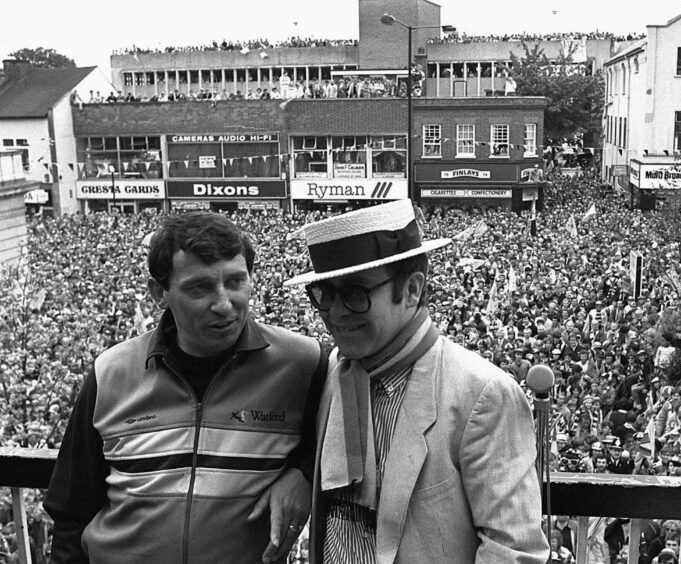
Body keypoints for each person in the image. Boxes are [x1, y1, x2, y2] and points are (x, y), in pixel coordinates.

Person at [44, 212, 328, 564]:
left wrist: (302, 472)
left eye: (236, 281)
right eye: (199, 287)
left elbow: (351, 427)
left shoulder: (304, 363)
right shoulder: (111, 373)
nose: (224, 303)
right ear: (158, 293)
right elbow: (71, 512)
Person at [284, 199, 549, 563]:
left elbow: (513, 550)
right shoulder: (333, 371)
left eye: (355, 293)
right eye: (324, 294)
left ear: (411, 289)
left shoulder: (481, 394)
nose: (335, 312)